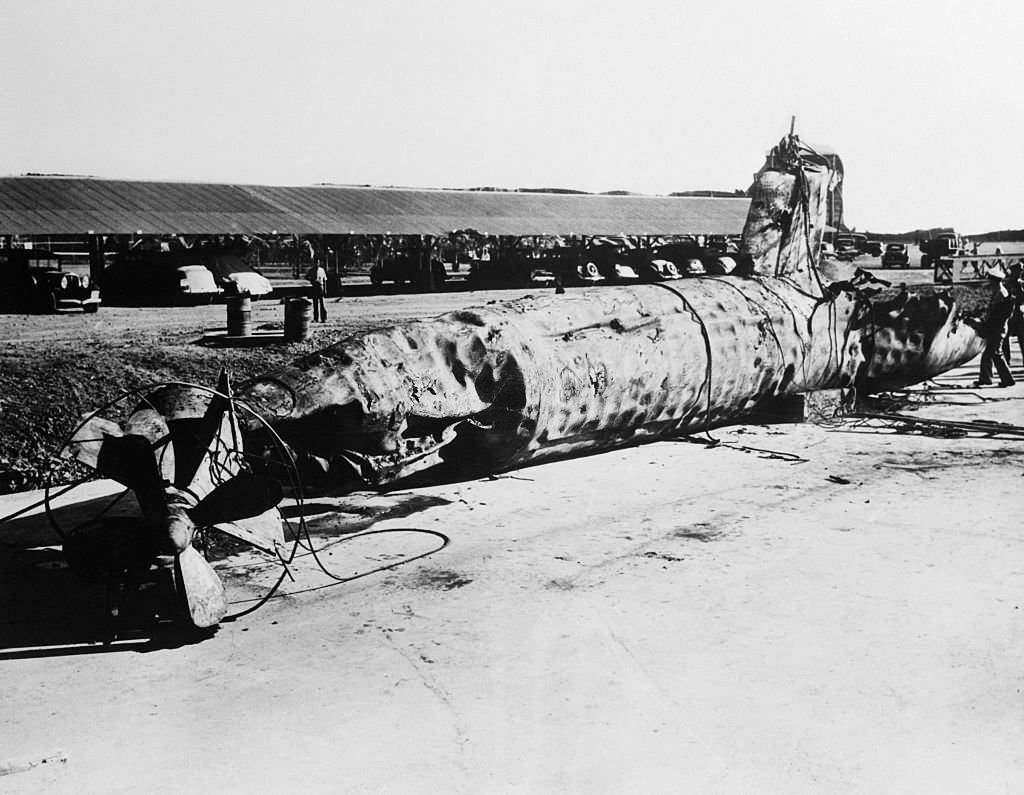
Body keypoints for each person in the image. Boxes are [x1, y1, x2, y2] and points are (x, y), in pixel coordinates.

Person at [976, 269, 1015, 387]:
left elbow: (1000, 315)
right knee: (988, 353)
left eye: (990, 280)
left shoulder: (1001, 294)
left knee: (996, 353)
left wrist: (988, 325)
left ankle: (1008, 379)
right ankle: (985, 378)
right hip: (996, 327)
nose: (989, 283)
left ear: (995, 281)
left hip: (998, 328)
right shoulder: (999, 292)